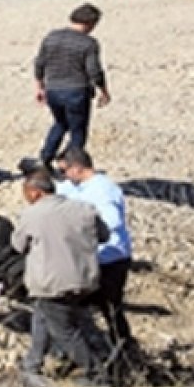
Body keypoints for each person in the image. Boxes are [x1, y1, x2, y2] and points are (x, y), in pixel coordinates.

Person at [13, 170, 112, 387]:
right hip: (85, 278)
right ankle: (32, 365)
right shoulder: (84, 209)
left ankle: (98, 375)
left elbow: (18, 246)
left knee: (63, 331)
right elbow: (104, 236)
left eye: (26, 194)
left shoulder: (32, 214)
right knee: (41, 317)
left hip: (52, 282)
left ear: (35, 193)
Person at [57, 147, 134, 350]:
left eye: (64, 171)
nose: (63, 176)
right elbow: (58, 193)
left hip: (110, 259)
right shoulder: (76, 187)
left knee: (110, 308)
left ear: (76, 168)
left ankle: (122, 348)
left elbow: (112, 223)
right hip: (90, 258)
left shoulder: (103, 190)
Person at [34, 3, 110, 169]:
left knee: (60, 123)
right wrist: (104, 90)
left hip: (53, 89)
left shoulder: (51, 37)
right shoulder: (88, 43)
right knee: (78, 131)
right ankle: (70, 164)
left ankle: (45, 158)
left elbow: (39, 63)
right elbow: (94, 71)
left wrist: (39, 86)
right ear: (91, 23)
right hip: (76, 90)